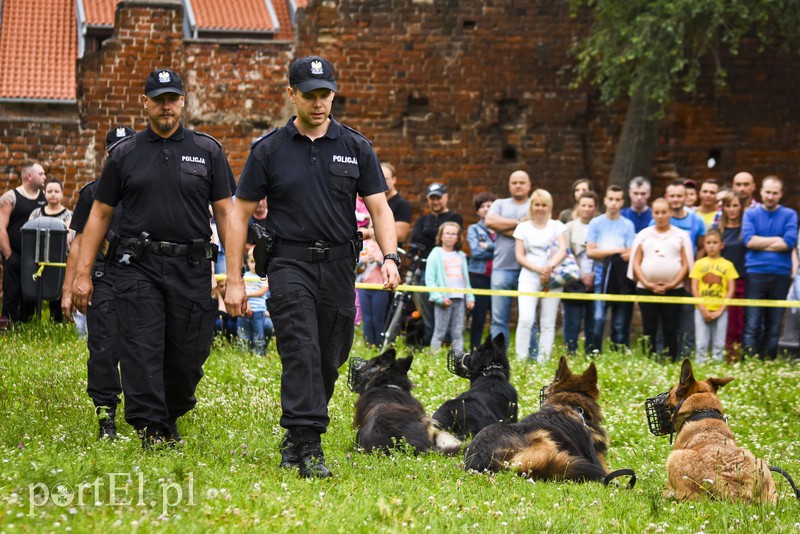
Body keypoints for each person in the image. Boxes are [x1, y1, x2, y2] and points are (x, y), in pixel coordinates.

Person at [224, 56, 400, 479]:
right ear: (292, 95)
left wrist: (390, 257)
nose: (320, 103)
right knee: (300, 349)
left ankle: (297, 435)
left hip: (340, 266)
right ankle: (308, 444)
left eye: (326, 94)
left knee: (329, 358)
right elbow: (238, 212)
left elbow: (380, 207)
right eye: (310, 95)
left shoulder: (356, 146)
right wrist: (233, 279)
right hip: (289, 264)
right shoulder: (269, 149)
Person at [72, 69, 235, 449]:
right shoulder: (125, 155)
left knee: (188, 354)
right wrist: (83, 275)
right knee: (142, 348)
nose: (166, 105)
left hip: (191, 267)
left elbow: (226, 214)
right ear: (144, 102)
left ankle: (170, 412)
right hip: (138, 267)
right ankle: (152, 429)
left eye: (172, 98)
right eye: (158, 98)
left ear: (182, 101)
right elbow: (98, 215)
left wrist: (235, 274)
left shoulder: (207, 150)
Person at [61, 125, 135, 440]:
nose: (119, 154)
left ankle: (150, 417)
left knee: (145, 349)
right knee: (103, 348)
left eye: (125, 148)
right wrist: (69, 288)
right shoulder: (92, 192)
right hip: (104, 277)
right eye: (114, 149)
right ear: (106, 154)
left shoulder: (144, 188)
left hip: (141, 277)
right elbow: (78, 244)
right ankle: (107, 417)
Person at [629, 198, 693, 360]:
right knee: (649, 326)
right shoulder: (644, 234)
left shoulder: (680, 235)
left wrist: (672, 283)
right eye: (657, 212)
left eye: (664, 212)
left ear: (670, 213)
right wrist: (647, 283)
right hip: (646, 290)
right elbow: (636, 262)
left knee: (671, 327)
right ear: (652, 214)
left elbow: (686, 264)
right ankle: (648, 358)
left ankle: (670, 359)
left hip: (674, 289)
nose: (660, 216)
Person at [742, 175, 798, 359]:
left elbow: (789, 242)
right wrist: (777, 240)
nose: (770, 196)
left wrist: (762, 242)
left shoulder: (789, 214)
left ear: (780, 194)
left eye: (774, 193)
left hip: (780, 275)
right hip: (755, 273)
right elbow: (749, 241)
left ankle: (769, 360)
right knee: (753, 323)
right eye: (767, 192)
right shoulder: (751, 214)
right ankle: (750, 361)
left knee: (774, 324)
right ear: (761, 192)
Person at [513, 189, 566, 362]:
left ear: (549, 206)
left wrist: (549, 267)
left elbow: (563, 250)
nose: (540, 208)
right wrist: (538, 269)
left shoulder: (556, 225)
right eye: (537, 204)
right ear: (531, 206)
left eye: (544, 205)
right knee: (526, 319)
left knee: (548, 322)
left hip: (553, 275)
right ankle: (521, 358)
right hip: (529, 276)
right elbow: (519, 255)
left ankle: (543, 360)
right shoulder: (523, 227)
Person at [410, 182, 463, 345]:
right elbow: (415, 239)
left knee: (448, 309)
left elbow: (449, 240)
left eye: (438, 198)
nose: (435, 202)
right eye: (432, 198)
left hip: (448, 272)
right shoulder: (422, 219)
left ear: (446, 198)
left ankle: (446, 342)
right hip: (425, 270)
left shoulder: (455, 218)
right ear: (428, 199)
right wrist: (433, 236)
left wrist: (427, 236)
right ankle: (430, 340)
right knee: (427, 308)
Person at [586, 185, 635, 352]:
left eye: (617, 200)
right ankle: (595, 353)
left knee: (619, 322)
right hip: (600, 277)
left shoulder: (628, 225)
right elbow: (590, 253)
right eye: (611, 199)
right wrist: (617, 250)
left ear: (622, 202)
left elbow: (629, 254)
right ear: (605, 200)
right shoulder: (596, 223)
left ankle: (617, 355)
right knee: (598, 318)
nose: (614, 203)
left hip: (620, 278)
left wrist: (603, 251)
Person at [485, 170, 532, 346]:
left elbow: (537, 228)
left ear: (529, 185)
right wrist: (521, 224)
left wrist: (502, 227)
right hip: (501, 267)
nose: (518, 185)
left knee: (528, 318)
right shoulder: (499, 204)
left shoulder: (535, 204)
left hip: (528, 269)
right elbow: (490, 222)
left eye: (522, 182)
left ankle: (529, 355)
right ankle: (498, 356)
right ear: (509, 185)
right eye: (514, 182)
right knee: (498, 319)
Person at [0, 162, 47, 323]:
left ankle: (26, 326)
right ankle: (7, 327)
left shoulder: (44, 198)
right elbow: (1, 227)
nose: (44, 177)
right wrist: (8, 256)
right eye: (41, 174)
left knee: (31, 295)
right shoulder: (10, 197)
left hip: (34, 256)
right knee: (11, 293)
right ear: (29, 176)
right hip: (14, 254)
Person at [28, 177, 73, 322]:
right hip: (38, 259)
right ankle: (31, 321)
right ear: (44, 193)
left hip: (58, 261)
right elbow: (30, 236)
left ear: (61, 193)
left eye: (56, 191)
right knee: (34, 291)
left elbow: (67, 238)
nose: (53, 194)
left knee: (57, 293)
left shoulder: (68, 215)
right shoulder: (36, 213)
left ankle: (57, 322)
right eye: (49, 191)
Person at [690, 228, 738, 363]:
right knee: (701, 341)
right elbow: (694, 287)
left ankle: (717, 364)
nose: (711, 246)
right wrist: (703, 308)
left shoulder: (728, 265)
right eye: (708, 243)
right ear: (704, 245)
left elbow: (730, 289)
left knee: (719, 341)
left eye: (715, 242)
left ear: (722, 245)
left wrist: (721, 310)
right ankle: (700, 363)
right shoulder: (699, 264)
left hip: (721, 310)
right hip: (701, 309)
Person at [426, 222, 474, 352]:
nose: (450, 236)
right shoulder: (436, 253)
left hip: (459, 299)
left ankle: (459, 358)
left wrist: (470, 297)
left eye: (454, 234)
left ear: (458, 238)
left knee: (458, 332)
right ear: (441, 236)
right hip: (444, 300)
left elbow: (466, 279)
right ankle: (433, 358)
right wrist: (438, 298)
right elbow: (429, 279)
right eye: (447, 233)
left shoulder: (461, 256)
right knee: (439, 332)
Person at [562, 191, 597, 354]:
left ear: (595, 208)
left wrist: (591, 275)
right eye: (583, 205)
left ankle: (591, 353)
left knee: (593, 321)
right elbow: (565, 254)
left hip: (595, 280)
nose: (587, 209)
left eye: (590, 206)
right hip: (574, 281)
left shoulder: (599, 225)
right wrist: (580, 275)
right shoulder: (569, 228)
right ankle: (571, 352)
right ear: (578, 206)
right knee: (572, 322)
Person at [714, 191, 746, 359]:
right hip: (721, 283)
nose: (732, 209)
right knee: (725, 323)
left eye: (735, 205)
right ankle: (723, 355)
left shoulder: (746, 229)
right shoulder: (717, 229)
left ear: (741, 207)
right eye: (728, 206)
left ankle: (738, 355)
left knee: (739, 322)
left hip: (741, 280)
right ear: (723, 208)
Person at [466, 191, 496, 350]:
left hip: (497, 276)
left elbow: (507, 251)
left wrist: (489, 246)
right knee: (479, 316)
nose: (486, 209)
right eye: (482, 207)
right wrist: (497, 250)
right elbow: (476, 252)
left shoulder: (500, 229)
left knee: (496, 318)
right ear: (477, 211)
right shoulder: (474, 229)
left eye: (489, 206)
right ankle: (474, 348)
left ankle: (493, 349)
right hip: (479, 277)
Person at [357, 235, 391, 347]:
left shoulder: (386, 245)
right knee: (367, 319)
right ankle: (368, 345)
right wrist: (363, 261)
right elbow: (355, 266)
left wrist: (379, 261)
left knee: (378, 319)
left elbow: (392, 267)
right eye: (371, 226)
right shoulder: (364, 245)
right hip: (364, 286)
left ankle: (379, 345)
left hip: (380, 287)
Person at [237, 249, 269, 355]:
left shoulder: (263, 276)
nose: (254, 265)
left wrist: (247, 295)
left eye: (257, 261)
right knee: (243, 334)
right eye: (252, 261)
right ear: (247, 262)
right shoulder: (244, 276)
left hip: (259, 310)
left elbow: (263, 291)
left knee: (258, 335)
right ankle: (243, 354)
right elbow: (240, 291)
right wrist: (246, 303)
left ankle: (259, 354)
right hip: (244, 309)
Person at [381, 162, 412, 246]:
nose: (382, 182)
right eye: (379, 178)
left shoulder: (402, 204)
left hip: (390, 253)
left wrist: (370, 232)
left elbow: (400, 235)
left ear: (394, 180)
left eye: (385, 179)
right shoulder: (376, 201)